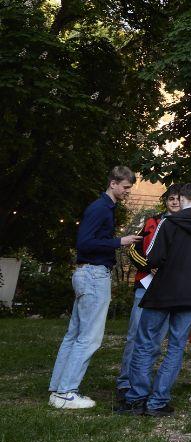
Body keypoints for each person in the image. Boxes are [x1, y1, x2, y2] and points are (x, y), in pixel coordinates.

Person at [119, 182, 191, 416]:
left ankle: (136, 399)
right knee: (176, 348)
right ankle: (158, 402)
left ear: (183, 199)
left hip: (162, 292)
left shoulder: (169, 222)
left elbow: (152, 258)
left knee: (145, 344)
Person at [48, 166, 139, 410]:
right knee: (89, 338)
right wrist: (120, 241)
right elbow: (85, 243)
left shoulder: (104, 208)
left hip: (87, 274)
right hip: (94, 275)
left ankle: (58, 390)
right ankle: (67, 392)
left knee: (74, 335)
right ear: (113, 183)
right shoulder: (100, 208)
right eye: (126, 187)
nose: (127, 192)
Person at [115, 184, 181, 407]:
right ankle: (125, 383)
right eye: (171, 198)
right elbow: (135, 248)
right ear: (166, 201)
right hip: (145, 284)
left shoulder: (186, 226)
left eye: (178, 199)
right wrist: (150, 265)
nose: (174, 202)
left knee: (156, 340)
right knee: (135, 335)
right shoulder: (153, 221)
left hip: (168, 288)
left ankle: (143, 383)